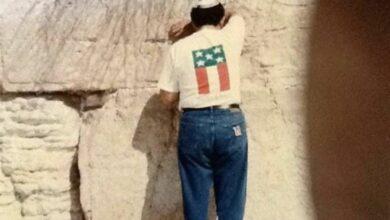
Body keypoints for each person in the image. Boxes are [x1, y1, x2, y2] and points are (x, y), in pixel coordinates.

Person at [157, 0, 247, 219]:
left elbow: (167, 98)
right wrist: (194, 23)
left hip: (194, 124)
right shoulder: (232, 35)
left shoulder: (179, 48)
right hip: (230, 121)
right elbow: (236, 13)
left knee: (195, 200)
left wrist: (190, 27)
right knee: (232, 202)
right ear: (220, 17)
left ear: (195, 20)